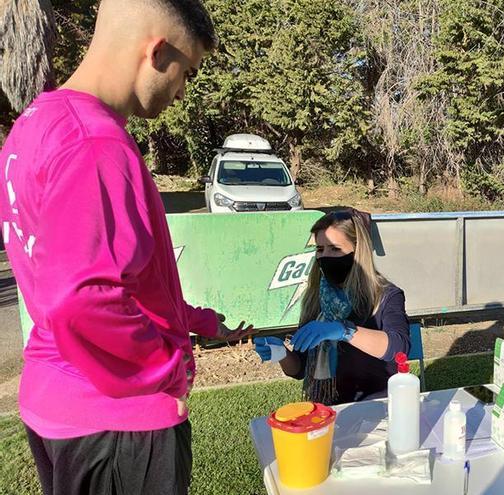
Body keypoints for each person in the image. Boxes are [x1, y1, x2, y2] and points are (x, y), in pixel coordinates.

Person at [0, 1, 254, 494]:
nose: (182, 92)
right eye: (187, 74)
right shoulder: (97, 144)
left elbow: (108, 275)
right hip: (117, 421)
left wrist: (193, 321)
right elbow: (81, 300)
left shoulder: (33, 125)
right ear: (157, 52)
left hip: (58, 404)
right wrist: (167, 368)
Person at [254, 209, 411, 405]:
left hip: (376, 404)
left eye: (335, 249)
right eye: (320, 249)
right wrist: (281, 353)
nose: (325, 256)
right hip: (325, 407)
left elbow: (399, 347)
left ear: (358, 251)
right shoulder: (316, 296)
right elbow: (299, 369)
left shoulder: (385, 295)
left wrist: (343, 330)